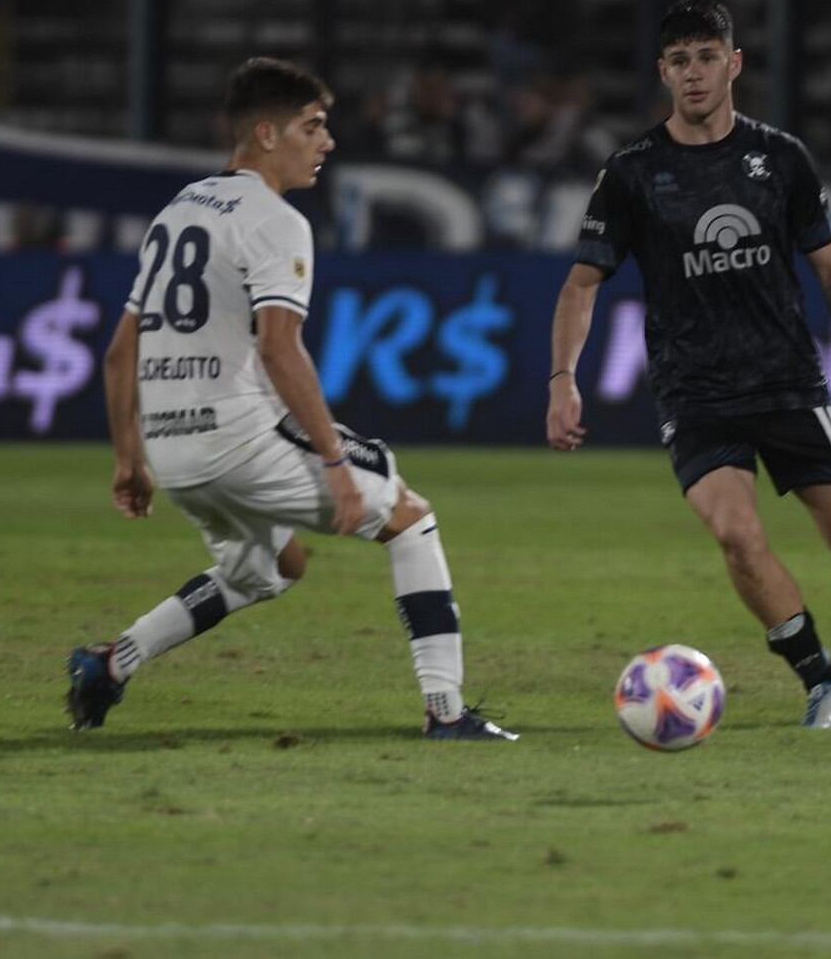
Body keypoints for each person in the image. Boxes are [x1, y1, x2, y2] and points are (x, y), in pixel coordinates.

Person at [67, 57, 516, 741]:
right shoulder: (275, 221)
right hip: (238, 437)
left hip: (177, 453)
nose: (326, 142)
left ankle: (111, 662)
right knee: (410, 518)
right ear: (269, 134)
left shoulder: (178, 210)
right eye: (314, 127)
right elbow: (281, 349)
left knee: (273, 568)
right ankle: (447, 712)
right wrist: (335, 464)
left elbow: (118, 351)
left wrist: (129, 459)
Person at [545, 0, 831, 729]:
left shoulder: (781, 158)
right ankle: (822, 679)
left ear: (734, 64)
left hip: (788, 381)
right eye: (678, 61)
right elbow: (581, 285)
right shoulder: (632, 174)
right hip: (694, 392)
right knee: (735, 534)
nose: (693, 74)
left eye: (706, 57)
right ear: (662, 72)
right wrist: (563, 379)